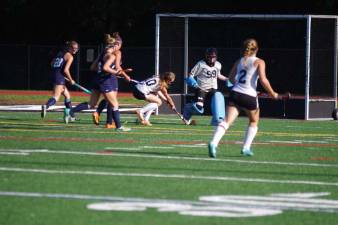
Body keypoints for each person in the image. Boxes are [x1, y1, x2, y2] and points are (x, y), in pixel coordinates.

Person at [208, 38, 279, 158]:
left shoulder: (239, 61)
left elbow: (230, 79)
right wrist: (273, 93)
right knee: (254, 121)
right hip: (249, 96)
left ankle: (213, 143)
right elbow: (263, 80)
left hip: (235, 94)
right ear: (257, 49)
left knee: (226, 122)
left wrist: (239, 84)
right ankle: (246, 148)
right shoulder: (259, 62)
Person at [183, 47, 230, 126]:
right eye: (209, 57)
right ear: (206, 56)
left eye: (213, 57)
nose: (211, 59)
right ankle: (188, 109)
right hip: (202, 89)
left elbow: (218, 75)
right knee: (199, 108)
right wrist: (193, 82)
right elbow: (191, 75)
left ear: (216, 57)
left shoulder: (218, 65)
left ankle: (216, 120)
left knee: (218, 100)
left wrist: (227, 79)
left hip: (213, 89)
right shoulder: (200, 64)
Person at [95, 33, 131, 131]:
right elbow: (106, 67)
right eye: (119, 45)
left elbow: (94, 66)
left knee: (110, 103)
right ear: (116, 45)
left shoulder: (105, 52)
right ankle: (118, 126)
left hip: (102, 79)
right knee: (114, 104)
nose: (119, 48)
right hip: (104, 80)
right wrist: (118, 72)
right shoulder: (111, 55)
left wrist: (122, 74)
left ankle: (111, 122)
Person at [41, 41, 79, 120]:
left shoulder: (59, 54)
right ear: (69, 47)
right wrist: (71, 80)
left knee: (67, 95)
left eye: (76, 48)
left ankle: (71, 116)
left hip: (54, 75)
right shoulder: (70, 57)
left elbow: (52, 64)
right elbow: (66, 70)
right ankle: (46, 106)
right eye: (73, 48)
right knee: (56, 97)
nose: (75, 50)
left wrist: (59, 72)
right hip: (59, 77)